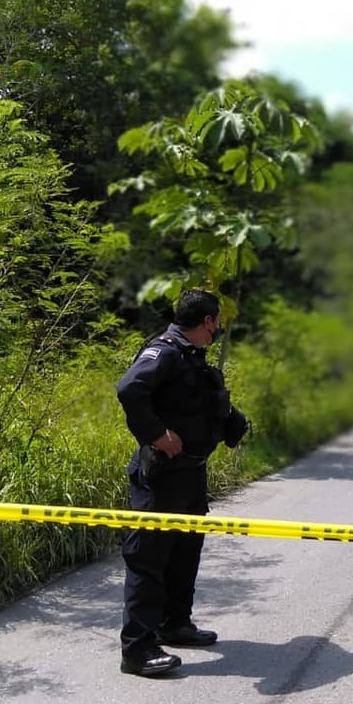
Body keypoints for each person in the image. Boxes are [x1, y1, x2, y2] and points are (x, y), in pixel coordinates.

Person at [115, 289, 249, 677]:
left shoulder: (191, 357)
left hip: (189, 475)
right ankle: (137, 650)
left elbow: (195, 405)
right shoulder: (166, 352)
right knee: (149, 558)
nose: (218, 330)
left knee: (183, 552)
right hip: (160, 476)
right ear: (208, 321)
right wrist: (156, 434)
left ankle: (174, 624)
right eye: (216, 323)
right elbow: (129, 389)